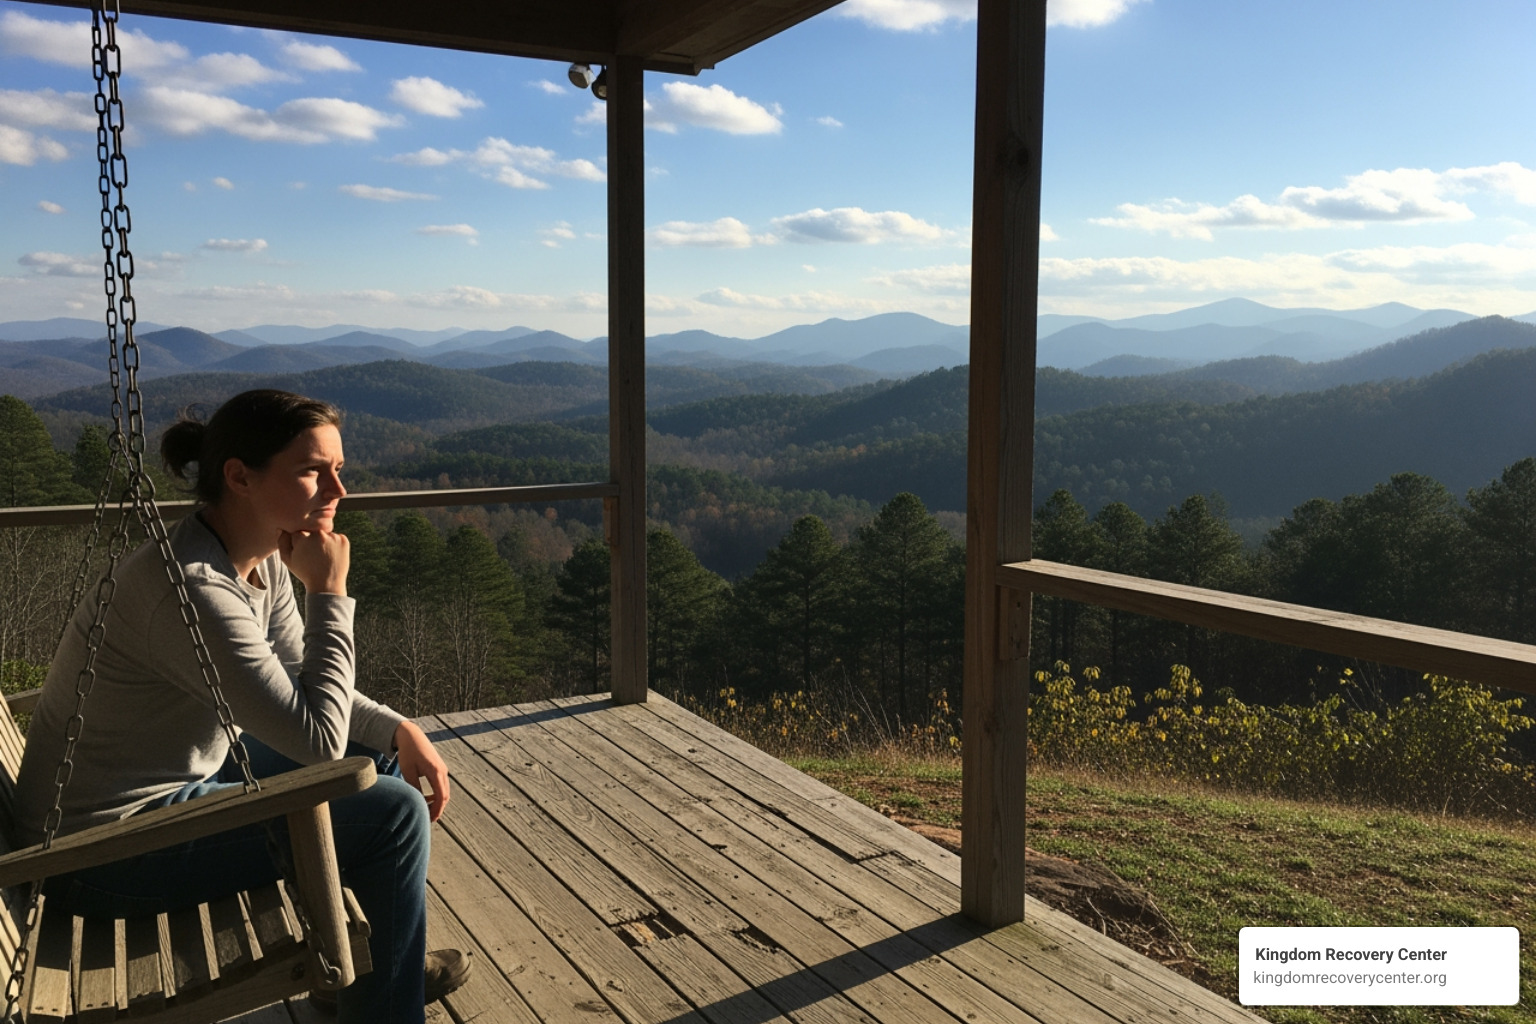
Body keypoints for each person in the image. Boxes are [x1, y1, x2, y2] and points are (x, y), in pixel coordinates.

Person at [13, 389, 470, 1023]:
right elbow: (316, 742)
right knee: (390, 814)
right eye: (314, 471)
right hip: (99, 855)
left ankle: (377, 974)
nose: (339, 489)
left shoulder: (259, 561)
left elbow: (303, 691)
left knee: (378, 758)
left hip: (165, 788)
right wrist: (330, 591)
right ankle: (386, 1008)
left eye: (340, 468)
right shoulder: (195, 589)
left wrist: (398, 728)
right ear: (239, 477)